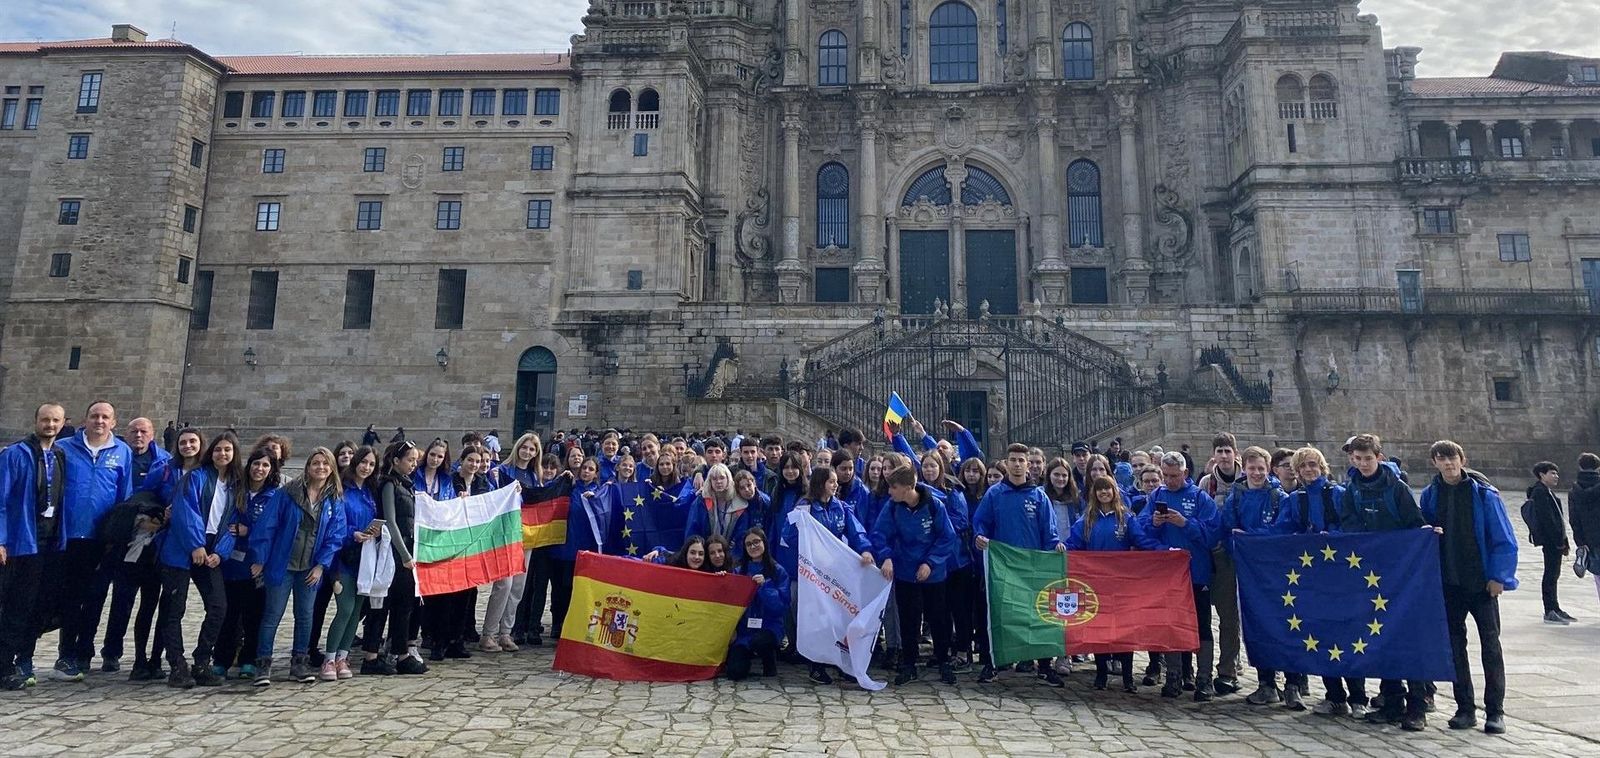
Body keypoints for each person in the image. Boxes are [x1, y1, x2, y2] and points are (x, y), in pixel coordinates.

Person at [1420, 440, 1517, 735]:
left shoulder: (1485, 495)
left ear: (1462, 459)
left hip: (1480, 582)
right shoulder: (1430, 495)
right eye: (1441, 459)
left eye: (1452, 458)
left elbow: (1503, 536)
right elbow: (1423, 529)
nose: (1448, 464)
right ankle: (1465, 707)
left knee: (1490, 645)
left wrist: (1499, 576)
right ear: (1435, 462)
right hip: (1449, 581)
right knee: (1455, 647)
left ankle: (1495, 710)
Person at [1337, 434, 1428, 731]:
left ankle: (1417, 705)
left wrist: (1425, 535)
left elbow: (1414, 522)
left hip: (1401, 572)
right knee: (1381, 636)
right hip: (1373, 574)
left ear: (1379, 457)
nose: (1364, 464)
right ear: (1353, 459)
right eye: (1358, 459)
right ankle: (1392, 701)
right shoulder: (1352, 490)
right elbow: (1349, 525)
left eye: (1368, 458)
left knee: (1407, 637)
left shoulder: (1397, 488)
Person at [973, 443, 1067, 686]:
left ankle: (1044, 665)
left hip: (1033, 569)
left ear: (1028, 464)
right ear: (1006, 462)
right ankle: (993, 663)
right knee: (998, 615)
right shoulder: (994, 494)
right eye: (1012, 459)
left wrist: (1055, 546)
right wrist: (979, 536)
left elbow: (1050, 532)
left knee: (1039, 616)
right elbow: (980, 523)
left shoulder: (1039, 496)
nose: (1017, 464)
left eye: (1021, 460)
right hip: (1002, 568)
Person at [54, 402, 135, 681]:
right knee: (68, 597)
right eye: (94, 416)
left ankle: (83, 653)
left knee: (94, 597)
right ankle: (66, 654)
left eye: (105, 417)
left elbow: (124, 498)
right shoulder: (64, 448)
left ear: (113, 422)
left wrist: (118, 536)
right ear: (84, 419)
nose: (99, 421)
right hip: (67, 536)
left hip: (101, 540)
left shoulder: (122, 452)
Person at [252, 447, 346, 685]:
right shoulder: (287, 493)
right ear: (308, 466)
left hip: (310, 568)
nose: (321, 468)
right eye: (316, 463)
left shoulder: (333, 498)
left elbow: (336, 535)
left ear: (332, 468)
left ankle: (299, 663)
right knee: (272, 615)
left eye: (325, 464)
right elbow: (268, 525)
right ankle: (263, 664)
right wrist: (260, 558)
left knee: (305, 616)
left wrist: (321, 566)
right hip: (282, 564)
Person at [157, 432, 244, 688]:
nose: (223, 454)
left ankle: (202, 660)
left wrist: (221, 552)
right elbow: (187, 512)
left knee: (218, 606)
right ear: (211, 452)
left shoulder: (236, 485)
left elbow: (232, 522)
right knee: (174, 608)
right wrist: (196, 545)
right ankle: (177, 665)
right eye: (218, 449)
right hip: (182, 549)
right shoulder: (194, 477)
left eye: (228, 450)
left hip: (212, 549)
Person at [1066, 475, 1163, 691]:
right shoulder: (1087, 519)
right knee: (1098, 630)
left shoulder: (1125, 518)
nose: (1104, 493)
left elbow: (1142, 541)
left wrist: (1165, 551)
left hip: (1121, 584)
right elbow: (1074, 543)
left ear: (1114, 491)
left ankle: (1127, 677)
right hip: (1096, 584)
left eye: (1107, 489)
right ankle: (1101, 674)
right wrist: (1061, 549)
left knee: (1123, 630)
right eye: (1099, 490)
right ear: (1094, 493)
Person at [1137, 451, 1221, 701]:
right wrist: (1154, 523)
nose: (1169, 480)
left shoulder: (1199, 498)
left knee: (1202, 626)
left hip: (1196, 572)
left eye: (1174, 476)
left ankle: (1203, 678)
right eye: (1165, 475)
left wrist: (1186, 523)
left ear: (1185, 473)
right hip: (1168, 575)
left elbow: (1213, 534)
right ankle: (1173, 675)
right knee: (1170, 625)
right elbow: (1140, 532)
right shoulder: (1156, 497)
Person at [780, 466, 874, 684]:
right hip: (813, 574)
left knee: (838, 618)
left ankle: (841, 662)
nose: (836, 485)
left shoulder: (841, 507)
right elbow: (788, 535)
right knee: (816, 620)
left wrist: (865, 549)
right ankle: (816, 665)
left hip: (835, 573)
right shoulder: (804, 507)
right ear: (821, 483)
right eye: (831, 481)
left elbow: (856, 531)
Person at [0, 404, 70, 690]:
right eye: (45, 419)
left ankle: (10, 663)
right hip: (19, 543)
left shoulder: (59, 455)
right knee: (11, 607)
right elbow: (1, 499)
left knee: (28, 608)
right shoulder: (15, 455)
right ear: (36, 421)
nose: (50, 425)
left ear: (63, 423)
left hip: (47, 543)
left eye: (55, 420)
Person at [1272, 446, 1346, 715]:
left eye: (1313, 465)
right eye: (1304, 466)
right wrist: (1249, 536)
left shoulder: (1338, 495)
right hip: (1311, 575)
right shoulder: (1295, 500)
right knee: (1319, 632)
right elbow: (1283, 528)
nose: (1309, 470)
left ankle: (1357, 695)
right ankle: (1335, 693)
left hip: (1338, 573)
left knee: (1344, 632)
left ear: (1322, 466)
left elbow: (1351, 526)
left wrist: (1331, 535)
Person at [872, 464, 959, 685]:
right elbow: (880, 534)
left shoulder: (934, 505)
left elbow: (947, 537)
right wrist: (887, 556)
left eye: (894, 487)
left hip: (933, 573)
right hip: (905, 572)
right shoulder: (892, 507)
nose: (889, 491)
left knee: (938, 618)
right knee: (909, 620)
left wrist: (931, 563)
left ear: (908, 487)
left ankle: (943, 661)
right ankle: (909, 663)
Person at [1221, 446, 1286, 705]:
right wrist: (1238, 548)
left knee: (1280, 621)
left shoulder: (1277, 496)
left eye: (1261, 468)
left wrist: (1256, 540)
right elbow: (1227, 527)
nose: (1256, 473)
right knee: (1255, 622)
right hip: (1248, 570)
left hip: (1274, 570)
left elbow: (1283, 528)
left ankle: (1289, 679)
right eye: (1252, 468)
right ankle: (1265, 680)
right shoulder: (1237, 495)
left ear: (1268, 468)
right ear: (1244, 468)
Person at [212, 448, 280, 682]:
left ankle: (248, 659)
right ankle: (220, 659)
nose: (259, 469)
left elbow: (272, 532)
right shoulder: (235, 491)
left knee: (253, 616)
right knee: (228, 614)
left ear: (271, 470)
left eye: (265, 466)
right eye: (256, 464)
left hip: (255, 565)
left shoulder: (273, 497)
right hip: (230, 562)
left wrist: (248, 533)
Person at [362, 441, 428, 676]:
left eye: (415, 460)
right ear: (396, 461)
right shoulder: (389, 484)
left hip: (407, 553)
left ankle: (401, 652)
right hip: (391, 553)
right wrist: (404, 554)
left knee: (404, 604)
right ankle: (370, 655)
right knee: (382, 604)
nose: (413, 464)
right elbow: (390, 520)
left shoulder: (408, 485)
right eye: (409, 459)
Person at [325, 446, 379, 678]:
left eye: (371, 464)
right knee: (345, 609)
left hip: (364, 559)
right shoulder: (340, 490)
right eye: (364, 462)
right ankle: (329, 658)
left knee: (356, 611)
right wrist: (352, 534)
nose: (366, 467)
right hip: (342, 558)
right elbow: (334, 522)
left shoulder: (370, 491)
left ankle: (343, 656)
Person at [726, 528, 787, 680]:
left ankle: (769, 659)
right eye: (748, 544)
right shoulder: (739, 571)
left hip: (770, 626)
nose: (753, 547)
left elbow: (781, 607)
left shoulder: (778, 571)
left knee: (761, 641)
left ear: (764, 543)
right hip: (745, 631)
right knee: (735, 673)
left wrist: (764, 587)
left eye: (756, 542)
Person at [1525, 461, 1572, 624]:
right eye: (1552, 473)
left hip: (1557, 541)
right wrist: (1558, 540)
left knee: (1554, 574)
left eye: (1556, 473)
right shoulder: (1540, 493)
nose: (1556, 476)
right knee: (1550, 575)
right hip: (1551, 542)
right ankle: (1549, 609)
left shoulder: (1547, 491)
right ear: (1542, 475)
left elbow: (1558, 519)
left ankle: (1555, 607)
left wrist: (1564, 540)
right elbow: (1548, 521)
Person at [1571, 453, 1600, 604]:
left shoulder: (1575, 491)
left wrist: (1580, 540)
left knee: (1598, 574)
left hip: (1589, 538)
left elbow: (1573, 519)